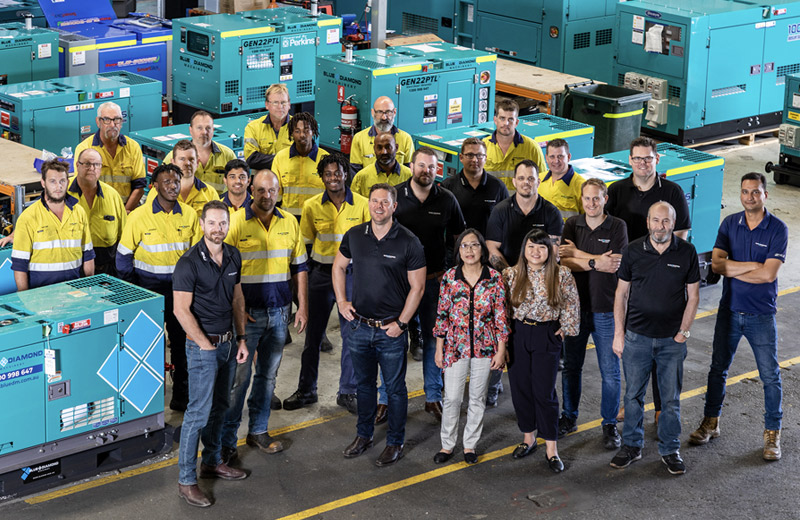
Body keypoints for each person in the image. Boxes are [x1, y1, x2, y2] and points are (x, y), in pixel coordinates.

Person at [689, 172, 788, 461]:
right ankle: (711, 422)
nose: (749, 197)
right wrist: (750, 266)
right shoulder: (730, 224)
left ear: (765, 195)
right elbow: (717, 266)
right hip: (729, 311)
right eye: (745, 192)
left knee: (770, 376)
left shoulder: (777, 229)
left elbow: (769, 274)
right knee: (717, 369)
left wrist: (735, 266)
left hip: (761, 315)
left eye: (755, 192)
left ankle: (772, 433)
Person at [333, 183, 426, 467]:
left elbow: (418, 287)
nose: (379, 206)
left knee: (395, 390)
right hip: (359, 327)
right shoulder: (355, 236)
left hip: (390, 331)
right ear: (369, 204)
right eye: (374, 201)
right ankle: (364, 435)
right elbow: (338, 266)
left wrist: (402, 323)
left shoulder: (409, 241)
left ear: (394, 206)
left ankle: (395, 442)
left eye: (385, 202)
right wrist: (342, 301)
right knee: (364, 387)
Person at [221, 169, 308, 462]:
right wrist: (238, 313)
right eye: (260, 190)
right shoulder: (235, 223)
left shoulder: (290, 223)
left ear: (279, 191)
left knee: (268, 378)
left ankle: (258, 430)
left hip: (280, 313)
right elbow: (223, 273)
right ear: (251, 190)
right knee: (239, 381)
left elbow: (299, 268)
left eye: (271, 190)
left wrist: (302, 306)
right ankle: (227, 441)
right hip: (249, 318)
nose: (266, 196)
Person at [606, 136, 692, 425]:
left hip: (664, 279)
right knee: (632, 346)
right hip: (630, 276)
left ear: (658, 160)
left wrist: (667, 268)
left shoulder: (672, 191)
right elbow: (609, 230)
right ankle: (630, 404)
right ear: (629, 161)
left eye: (648, 158)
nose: (643, 163)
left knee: (663, 348)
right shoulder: (616, 191)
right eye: (637, 158)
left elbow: (681, 235)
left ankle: (659, 408)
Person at [609, 202, 700, 476]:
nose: (661, 226)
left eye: (666, 222)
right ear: (648, 222)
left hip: (672, 342)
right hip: (636, 337)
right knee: (633, 395)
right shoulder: (633, 250)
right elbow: (621, 295)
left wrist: (684, 332)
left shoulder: (686, 251)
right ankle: (631, 445)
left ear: (674, 224)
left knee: (670, 400)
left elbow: (693, 295)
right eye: (656, 220)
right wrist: (619, 334)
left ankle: (670, 449)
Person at [173, 200, 249, 508]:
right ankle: (187, 481)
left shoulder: (233, 255)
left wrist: (241, 338)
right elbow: (180, 310)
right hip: (203, 347)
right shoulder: (188, 262)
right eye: (213, 223)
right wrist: (204, 343)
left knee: (221, 406)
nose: (218, 229)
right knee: (198, 413)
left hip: (230, 344)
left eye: (223, 223)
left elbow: (238, 298)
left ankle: (213, 461)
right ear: (202, 225)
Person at [282, 153, 369, 414]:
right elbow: (305, 245)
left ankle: (348, 391)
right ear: (322, 177)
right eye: (328, 174)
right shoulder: (311, 206)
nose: (333, 178)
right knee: (313, 337)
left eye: (338, 173)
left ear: (346, 174)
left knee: (351, 336)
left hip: (352, 276)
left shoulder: (362, 205)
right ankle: (307, 390)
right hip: (321, 275)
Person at [117, 163, 202, 411]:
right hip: (149, 293)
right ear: (154, 186)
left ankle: (181, 396)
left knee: (180, 345)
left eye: (176, 181)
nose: (173, 186)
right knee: (149, 346)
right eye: (167, 182)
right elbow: (123, 258)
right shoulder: (138, 217)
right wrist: (136, 292)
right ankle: (150, 401)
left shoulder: (189, 215)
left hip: (181, 294)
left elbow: (197, 257)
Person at [394, 147, 465, 422]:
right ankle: (388, 398)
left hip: (435, 282)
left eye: (431, 167)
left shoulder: (447, 199)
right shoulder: (396, 197)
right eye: (421, 165)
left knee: (437, 341)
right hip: (400, 284)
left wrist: (451, 269)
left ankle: (433, 396)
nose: (426, 171)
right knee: (394, 341)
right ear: (412, 166)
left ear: (438, 170)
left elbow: (460, 236)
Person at [485, 160, 562, 406]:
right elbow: (492, 247)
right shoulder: (500, 211)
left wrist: (533, 279)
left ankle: (539, 393)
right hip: (507, 284)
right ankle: (493, 386)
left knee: (536, 341)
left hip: (542, 288)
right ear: (514, 181)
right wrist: (513, 276)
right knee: (501, 334)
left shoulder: (550, 212)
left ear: (538, 181)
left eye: (531, 178)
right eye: (521, 178)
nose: (526, 182)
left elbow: (555, 251)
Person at [557, 178, 627, 449]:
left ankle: (609, 424)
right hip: (575, 309)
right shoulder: (572, 224)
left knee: (610, 372)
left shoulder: (617, 226)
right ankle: (568, 417)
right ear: (581, 200)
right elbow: (564, 262)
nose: (591, 203)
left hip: (607, 310)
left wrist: (578, 255)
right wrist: (594, 260)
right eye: (587, 198)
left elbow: (615, 265)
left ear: (605, 199)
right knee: (571, 368)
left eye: (597, 198)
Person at [503, 228, 579, 474]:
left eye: (542, 247)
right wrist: (502, 338)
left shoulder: (561, 274)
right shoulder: (511, 274)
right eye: (531, 246)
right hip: (518, 333)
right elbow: (500, 307)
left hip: (547, 333)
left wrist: (565, 328)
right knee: (521, 388)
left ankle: (552, 448)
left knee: (544, 392)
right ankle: (528, 438)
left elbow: (571, 302)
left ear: (549, 251)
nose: (536, 252)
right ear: (524, 250)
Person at [432, 229, 509, 465]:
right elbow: (442, 314)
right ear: (458, 251)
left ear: (482, 249)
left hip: (485, 346)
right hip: (456, 347)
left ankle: (469, 445)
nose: (469, 250)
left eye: (474, 245)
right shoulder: (450, 277)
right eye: (464, 246)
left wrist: (501, 349)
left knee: (477, 397)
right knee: (453, 397)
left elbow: (501, 316)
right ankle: (447, 445)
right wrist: (439, 347)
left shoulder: (494, 278)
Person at [11, 159, 94, 290]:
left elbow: (88, 255)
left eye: (62, 181)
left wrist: (88, 289)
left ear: (67, 182)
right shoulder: (28, 217)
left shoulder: (79, 212)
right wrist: (25, 298)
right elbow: (19, 264)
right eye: (52, 181)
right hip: (41, 295)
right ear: (43, 183)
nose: (58, 186)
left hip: (73, 292)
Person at [74, 101, 147, 211]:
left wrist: (124, 214)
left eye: (116, 120)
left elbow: (139, 186)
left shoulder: (133, 147)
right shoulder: (84, 149)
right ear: (98, 122)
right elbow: (82, 186)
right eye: (107, 120)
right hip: (97, 211)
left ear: (121, 122)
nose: (113, 125)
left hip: (126, 208)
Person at [68, 148, 127, 276]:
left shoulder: (113, 196)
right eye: (87, 164)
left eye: (96, 165)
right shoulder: (63, 193)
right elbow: (38, 213)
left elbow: (124, 238)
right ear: (77, 165)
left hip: (107, 272)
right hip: (72, 270)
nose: (92, 168)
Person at [441, 137, 509, 237]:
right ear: (461, 157)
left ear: (485, 158)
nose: (475, 160)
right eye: (470, 155)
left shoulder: (498, 187)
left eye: (479, 155)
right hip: (456, 249)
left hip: (488, 249)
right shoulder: (448, 186)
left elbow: (507, 221)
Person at [271, 112, 329, 219]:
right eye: (297, 131)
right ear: (292, 134)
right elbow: (275, 195)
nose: (302, 135)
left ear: (313, 132)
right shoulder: (280, 158)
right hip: (288, 219)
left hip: (317, 218)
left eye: (306, 130)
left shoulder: (325, 159)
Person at [483, 99, 547, 193]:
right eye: (502, 118)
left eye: (510, 119)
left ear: (516, 122)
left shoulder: (532, 147)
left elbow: (542, 182)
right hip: (491, 205)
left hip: (520, 205)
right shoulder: (483, 146)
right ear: (495, 120)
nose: (506, 123)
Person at [164, 110, 236, 193]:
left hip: (218, 204)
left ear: (213, 131)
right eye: (199, 128)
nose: (204, 132)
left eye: (208, 128)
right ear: (191, 130)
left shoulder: (228, 155)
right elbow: (160, 186)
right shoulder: (174, 156)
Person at [146, 140, 220, 218]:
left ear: (197, 163)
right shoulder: (157, 192)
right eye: (182, 159)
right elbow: (149, 222)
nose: (187, 163)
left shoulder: (210, 193)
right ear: (173, 162)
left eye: (191, 159)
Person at [349, 96, 414, 171]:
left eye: (388, 112)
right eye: (379, 112)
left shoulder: (406, 139)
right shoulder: (359, 139)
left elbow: (409, 173)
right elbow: (356, 175)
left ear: (394, 112)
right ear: (373, 113)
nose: (384, 117)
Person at [243, 83, 293, 169]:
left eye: (283, 102)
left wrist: (265, 158)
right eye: (275, 103)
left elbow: (301, 158)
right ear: (267, 105)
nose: (280, 106)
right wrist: (283, 160)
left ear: (289, 104)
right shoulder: (253, 128)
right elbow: (251, 159)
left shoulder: (300, 127)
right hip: (262, 179)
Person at [350, 132, 413, 198]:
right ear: (374, 149)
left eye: (388, 147)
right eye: (379, 148)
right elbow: (354, 205)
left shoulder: (410, 176)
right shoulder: (361, 177)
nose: (384, 152)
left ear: (396, 148)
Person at [538, 138, 586, 221]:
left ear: (568, 157)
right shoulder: (538, 180)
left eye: (560, 156)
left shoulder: (582, 186)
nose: (556, 161)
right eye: (552, 157)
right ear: (546, 158)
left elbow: (589, 220)